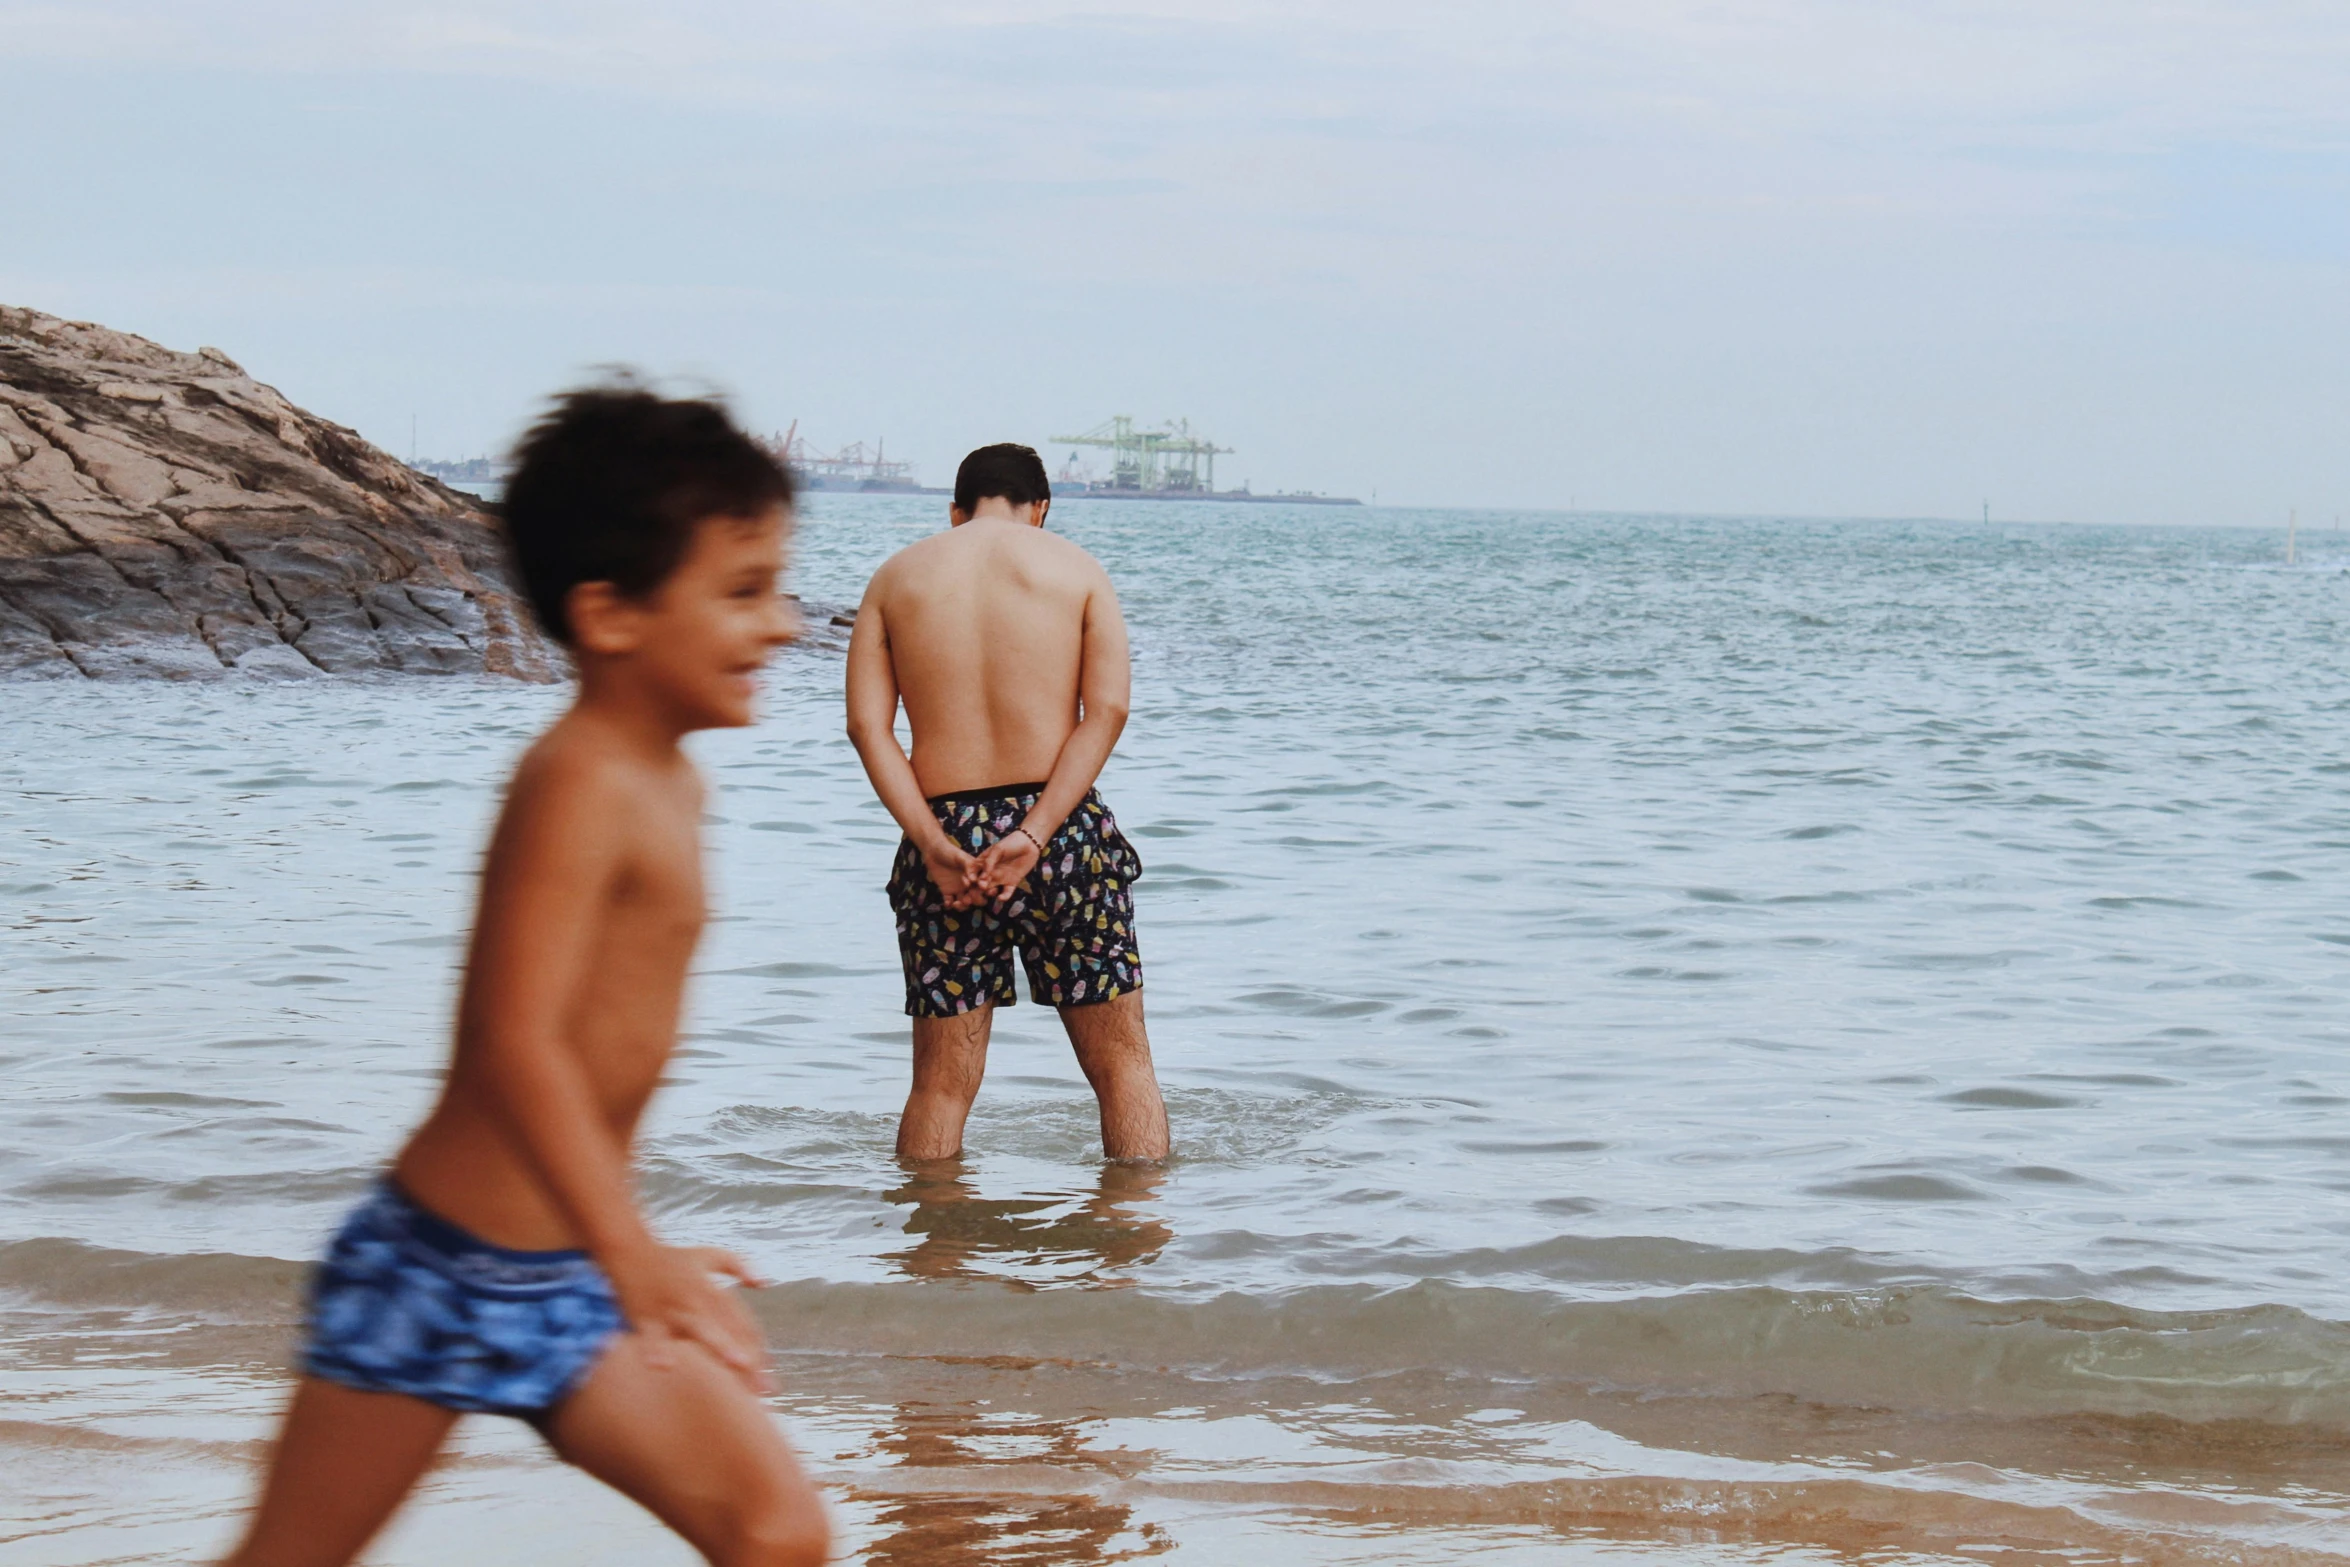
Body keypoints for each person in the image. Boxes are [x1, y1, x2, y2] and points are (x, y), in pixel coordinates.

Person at [222, 387, 830, 1567]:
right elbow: (515, 1042)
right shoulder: (577, 780)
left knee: (778, 1533)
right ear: (610, 616)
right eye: (743, 592)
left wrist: (615, 1242)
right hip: (440, 1268)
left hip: (567, 1275)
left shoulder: (673, 781)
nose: (787, 625)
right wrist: (632, 1250)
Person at [845, 442, 1171, 1163]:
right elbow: (1108, 709)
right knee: (1123, 1069)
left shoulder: (895, 579)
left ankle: (932, 1261)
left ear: (955, 511)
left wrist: (931, 843)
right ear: (1041, 507)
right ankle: (1132, 1257)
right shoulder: (1078, 570)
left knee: (939, 1087)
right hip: (1059, 838)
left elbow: (868, 728)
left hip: (946, 840)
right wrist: (1034, 831)